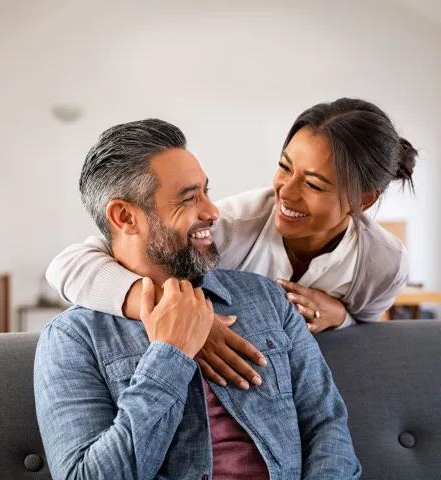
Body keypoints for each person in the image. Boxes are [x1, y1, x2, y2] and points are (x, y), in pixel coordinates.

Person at [34, 119, 361, 479]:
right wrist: (170, 355)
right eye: (189, 198)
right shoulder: (73, 338)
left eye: (206, 191)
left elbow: (327, 426)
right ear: (125, 216)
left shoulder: (267, 298)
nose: (212, 211)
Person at [46, 98, 417, 389]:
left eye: (314, 184)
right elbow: (68, 266)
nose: (285, 193)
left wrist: (341, 316)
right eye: (284, 167)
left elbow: (367, 332)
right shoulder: (232, 225)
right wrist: (179, 316)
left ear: (363, 201)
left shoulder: (384, 264)